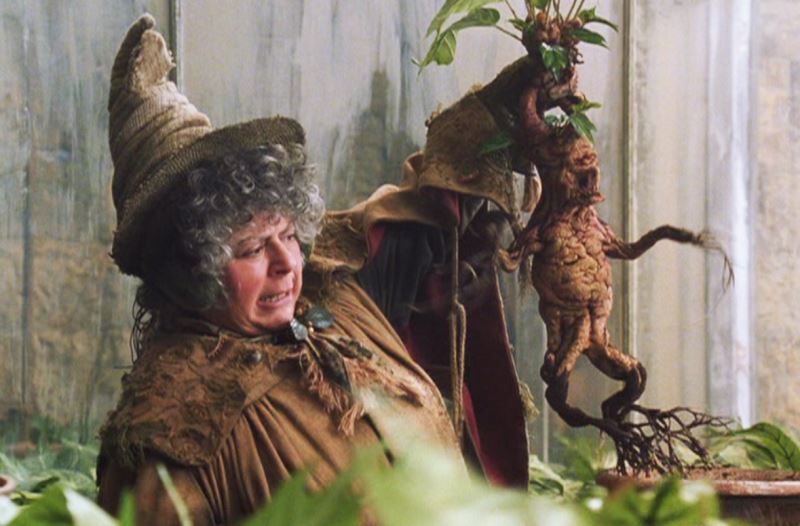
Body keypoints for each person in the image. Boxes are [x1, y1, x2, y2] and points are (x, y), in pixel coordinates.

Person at [97, 13, 563, 525]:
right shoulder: (171, 434)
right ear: (188, 269)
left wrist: (514, 110)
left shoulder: (333, 292)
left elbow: (435, 206)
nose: (287, 264)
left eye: (288, 235)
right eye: (252, 249)